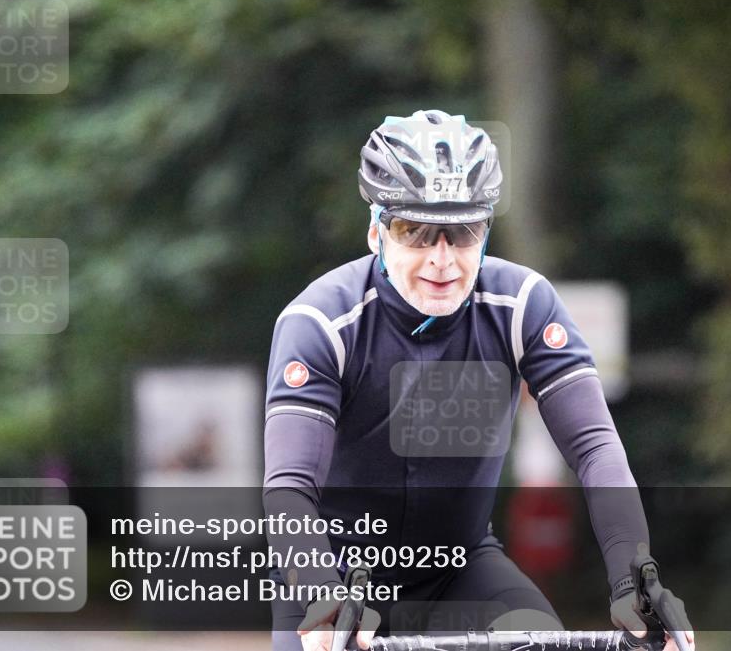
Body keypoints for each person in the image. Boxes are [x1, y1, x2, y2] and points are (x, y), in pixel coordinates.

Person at [262, 110, 693, 651]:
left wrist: (636, 579)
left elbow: (594, 446)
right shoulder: (322, 323)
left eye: (463, 232)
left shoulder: (521, 305)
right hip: (335, 581)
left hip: (460, 571)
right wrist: (320, 592)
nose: (442, 260)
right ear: (376, 231)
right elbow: (289, 489)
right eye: (415, 232)